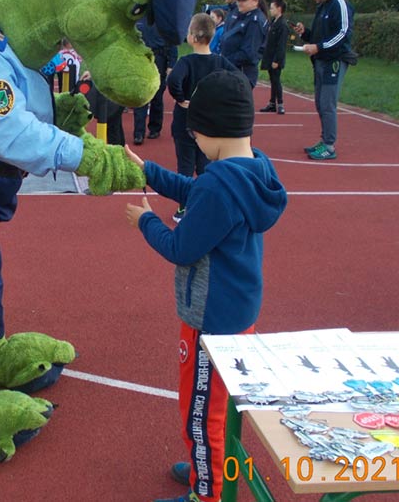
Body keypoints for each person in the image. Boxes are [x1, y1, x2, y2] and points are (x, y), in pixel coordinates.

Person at [123, 68, 287, 502]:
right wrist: (152, 173)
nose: (194, 143)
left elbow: (180, 246)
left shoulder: (218, 185)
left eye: (195, 136)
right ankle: (209, 473)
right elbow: (196, 192)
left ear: (210, 132)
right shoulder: (254, 169)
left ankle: (207, 494)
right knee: (217, 411)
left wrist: (145, 221)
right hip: (238, 313)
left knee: (200, 415)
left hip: (210, 323)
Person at [166, 13, 235, 222]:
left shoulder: (186, 62)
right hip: (210, 123)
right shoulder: (221, 62)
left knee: (185, 166)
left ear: (193, 37)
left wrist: (180, 98)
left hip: (186, 121)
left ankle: (184, 207)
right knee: (205, 165)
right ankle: (205, 205)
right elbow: (239, 80)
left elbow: (173, 81)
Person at [291, 0, 356, 161]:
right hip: (320, 61)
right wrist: (306, 34)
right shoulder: (322, 7)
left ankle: (329, 145)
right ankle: (324, 140)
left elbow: (343, 33)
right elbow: (319, 36)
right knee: (320, 102)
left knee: (327, 103)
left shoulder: (339, 4)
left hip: (334, 60)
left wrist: (319, 47)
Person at [133, 19, 174, 145]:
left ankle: (155, 128)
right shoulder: (137, 18)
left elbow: (172, 42)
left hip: (159, 59)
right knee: (141, 96)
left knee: (157, 96)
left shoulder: (164, 18)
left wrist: (171, 64)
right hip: (141, 59)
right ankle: (138, 133)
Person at [219, 0, 267, 87]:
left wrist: (224, 61)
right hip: (231, 69)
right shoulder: (243, 15)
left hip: (241, 72)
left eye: (244, 0)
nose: (240, 3)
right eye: (238, 0)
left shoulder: (255, 21)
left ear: (255, 1)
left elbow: (248, 53)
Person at [259, 0, 289, 114]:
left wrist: (277, 60)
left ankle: (280, 103)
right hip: (269, 55)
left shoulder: (282, 25)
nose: (270, 10)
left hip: (276, 58)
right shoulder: (273, 22)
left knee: (276, 80)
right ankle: (272, 103)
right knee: (272, 80)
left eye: (272, 8)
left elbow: (281, 45)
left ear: (279, 8)